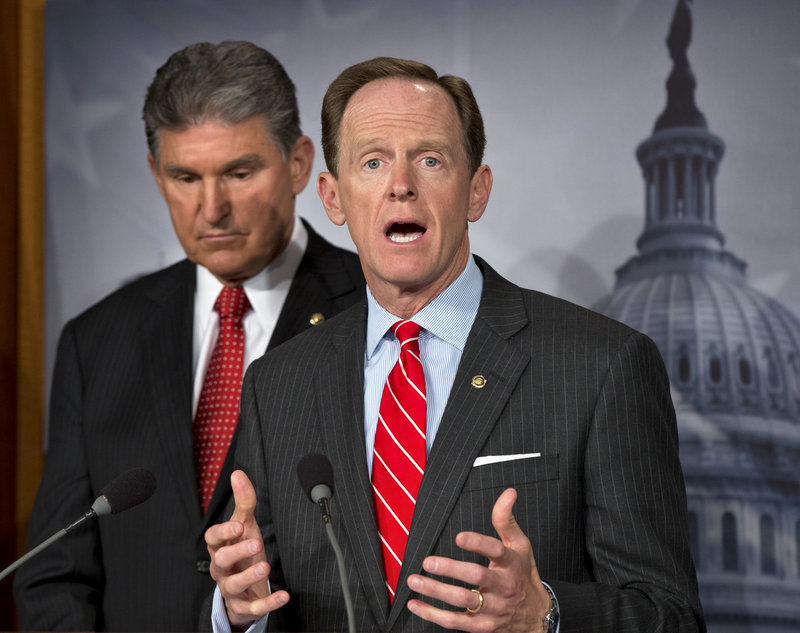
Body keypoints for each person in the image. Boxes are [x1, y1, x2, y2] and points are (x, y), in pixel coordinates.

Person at [205, 57, 705, 633]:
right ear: (333, 198)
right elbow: (254, 590)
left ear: (476, 191)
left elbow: (672, 618)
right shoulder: (279, 384)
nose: (401, 185)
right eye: (373, 162)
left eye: (430, 160)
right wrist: (239, 611)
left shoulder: (602, 366)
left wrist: (547, 614)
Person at [13, 41, 365, 631]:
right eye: (184, 176)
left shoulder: (375, 314)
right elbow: (56, 574)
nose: (211, 209)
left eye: (238, 172)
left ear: (300, 163)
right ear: (155, 174)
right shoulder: (97, 340)